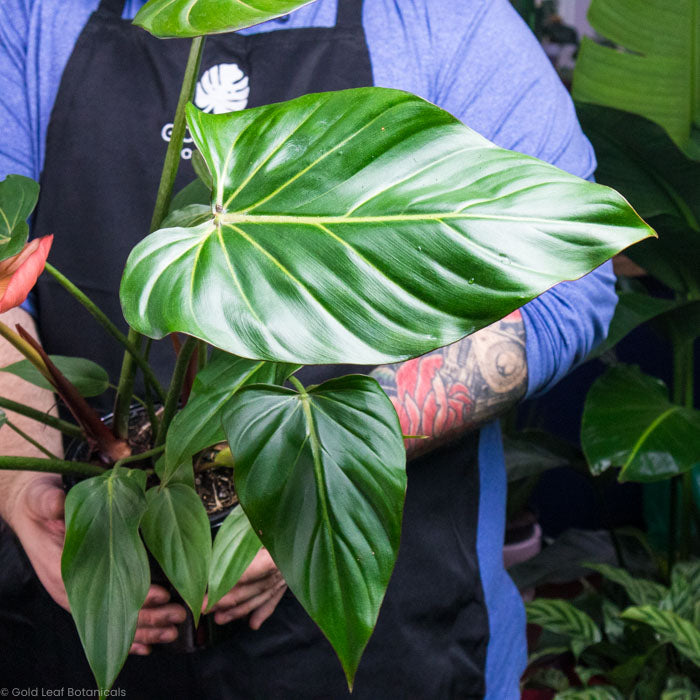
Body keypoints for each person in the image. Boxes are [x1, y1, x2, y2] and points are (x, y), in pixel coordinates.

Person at [0, 0, 617, 697]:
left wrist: (307, 484)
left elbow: (568, 283)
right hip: (88, 606)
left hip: (395, 630)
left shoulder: (442, 18)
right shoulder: (34, 16)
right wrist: (22, 484)